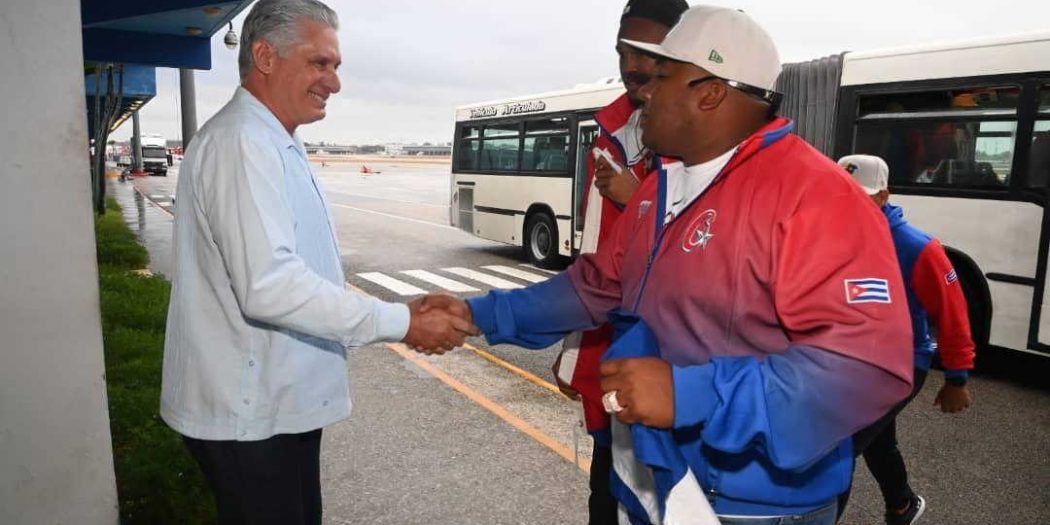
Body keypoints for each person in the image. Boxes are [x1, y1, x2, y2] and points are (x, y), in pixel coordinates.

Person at [424, 6, 914, 524]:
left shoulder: (814, 196)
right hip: (657, 479)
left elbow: (868, 368)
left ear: (709, 91)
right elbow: (596, 285)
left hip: (754, 506)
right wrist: (480, 314)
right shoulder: (661, 186)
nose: (643, 92)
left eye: (661, 77)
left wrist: (689, 394)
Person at [160, 2, 476, 523]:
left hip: (273, 408)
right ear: (264, 56)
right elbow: (270, 285)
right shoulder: (243, 142)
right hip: (250, 414)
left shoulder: (274, 138)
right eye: (319, 63)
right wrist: (400, 321)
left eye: (336, 67)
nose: (334, 82)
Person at [550, 1, 687, 522]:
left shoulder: (713, 139)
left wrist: (640, 199)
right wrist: (575, 349)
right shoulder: (613, 133)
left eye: (646, 51)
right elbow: (596, 254)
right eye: (622, 49)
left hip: (679, 365)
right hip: (617, 347)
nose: (630, 64)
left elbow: (714, 256)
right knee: (606, 492)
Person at [837, 154, 976, 525]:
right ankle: (902, 505)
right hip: (849, 357)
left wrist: (956, 378)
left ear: (884, 195)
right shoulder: (831, 233)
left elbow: (953, 314)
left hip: (899, 363)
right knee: (877, 440)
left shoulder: (918, 248)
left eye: (858, 194)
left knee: (836, 448)